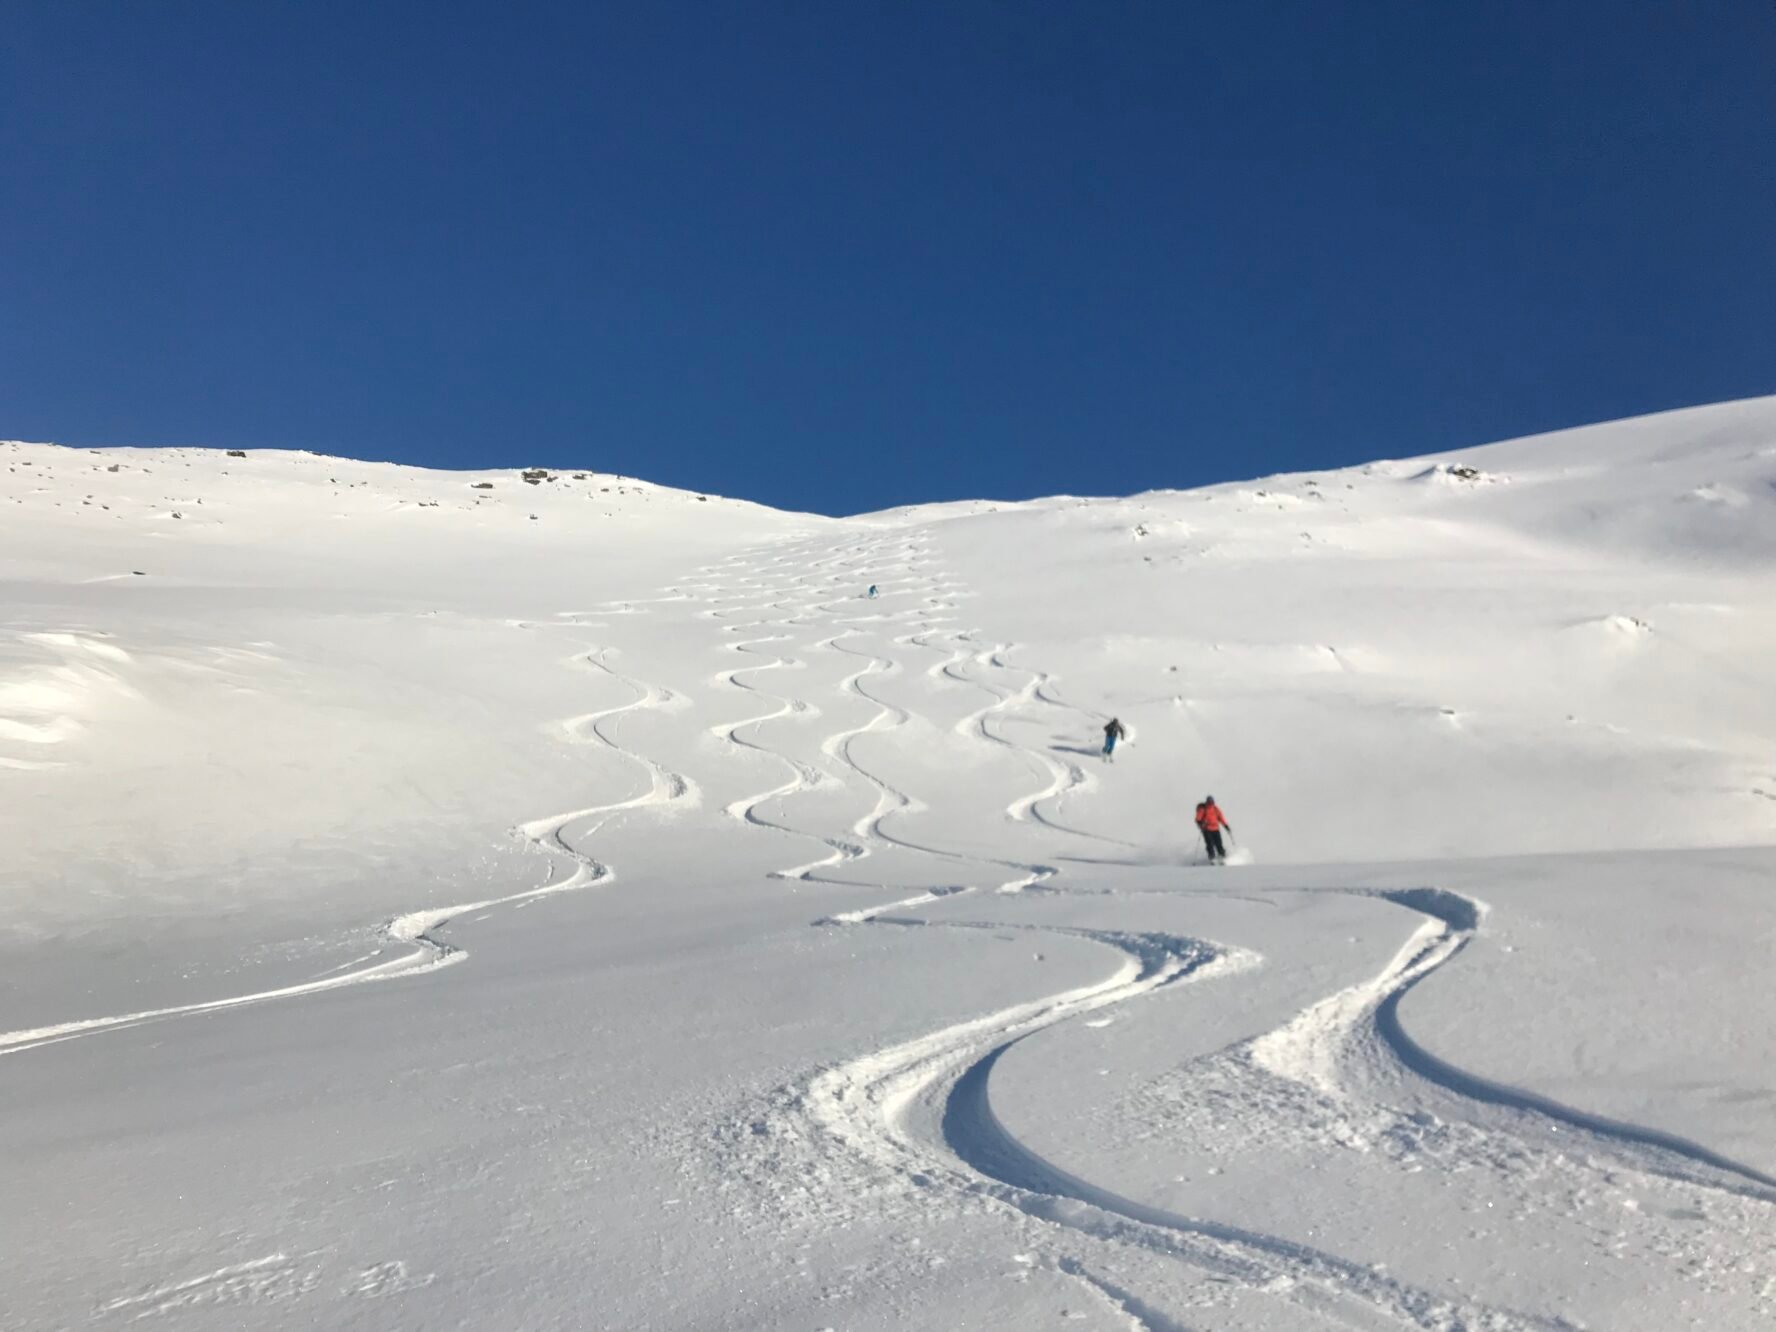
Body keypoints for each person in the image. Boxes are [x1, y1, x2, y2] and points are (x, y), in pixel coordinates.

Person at [1195, 795, 1232, 864]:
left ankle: (1222, 856)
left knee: (1219, 843)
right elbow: (1198, 819)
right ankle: (1212, 857)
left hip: (1216, 829)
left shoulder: (1216, 809)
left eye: (1211, 801)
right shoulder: (1203, 809)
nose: (1210, 803)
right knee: (1210, 844)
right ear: (1207, 802)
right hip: (1207, 830)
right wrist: (1201, 824)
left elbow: (1221, 818)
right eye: (1209, 802)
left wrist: (1226, 826)